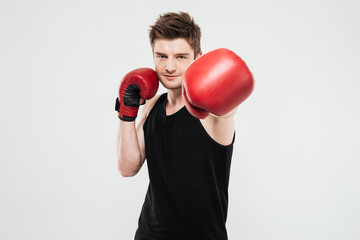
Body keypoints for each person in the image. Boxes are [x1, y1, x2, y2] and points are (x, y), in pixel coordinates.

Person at [115, 12, 254, 240]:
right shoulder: (152, 105)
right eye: (161, 56)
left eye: (180, 57)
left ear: (198, 58)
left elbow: (228, 112)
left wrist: (224, 90)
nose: (169, 66)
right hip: (150, 234)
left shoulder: (211, 112)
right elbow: (127, 168)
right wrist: (126, 113)